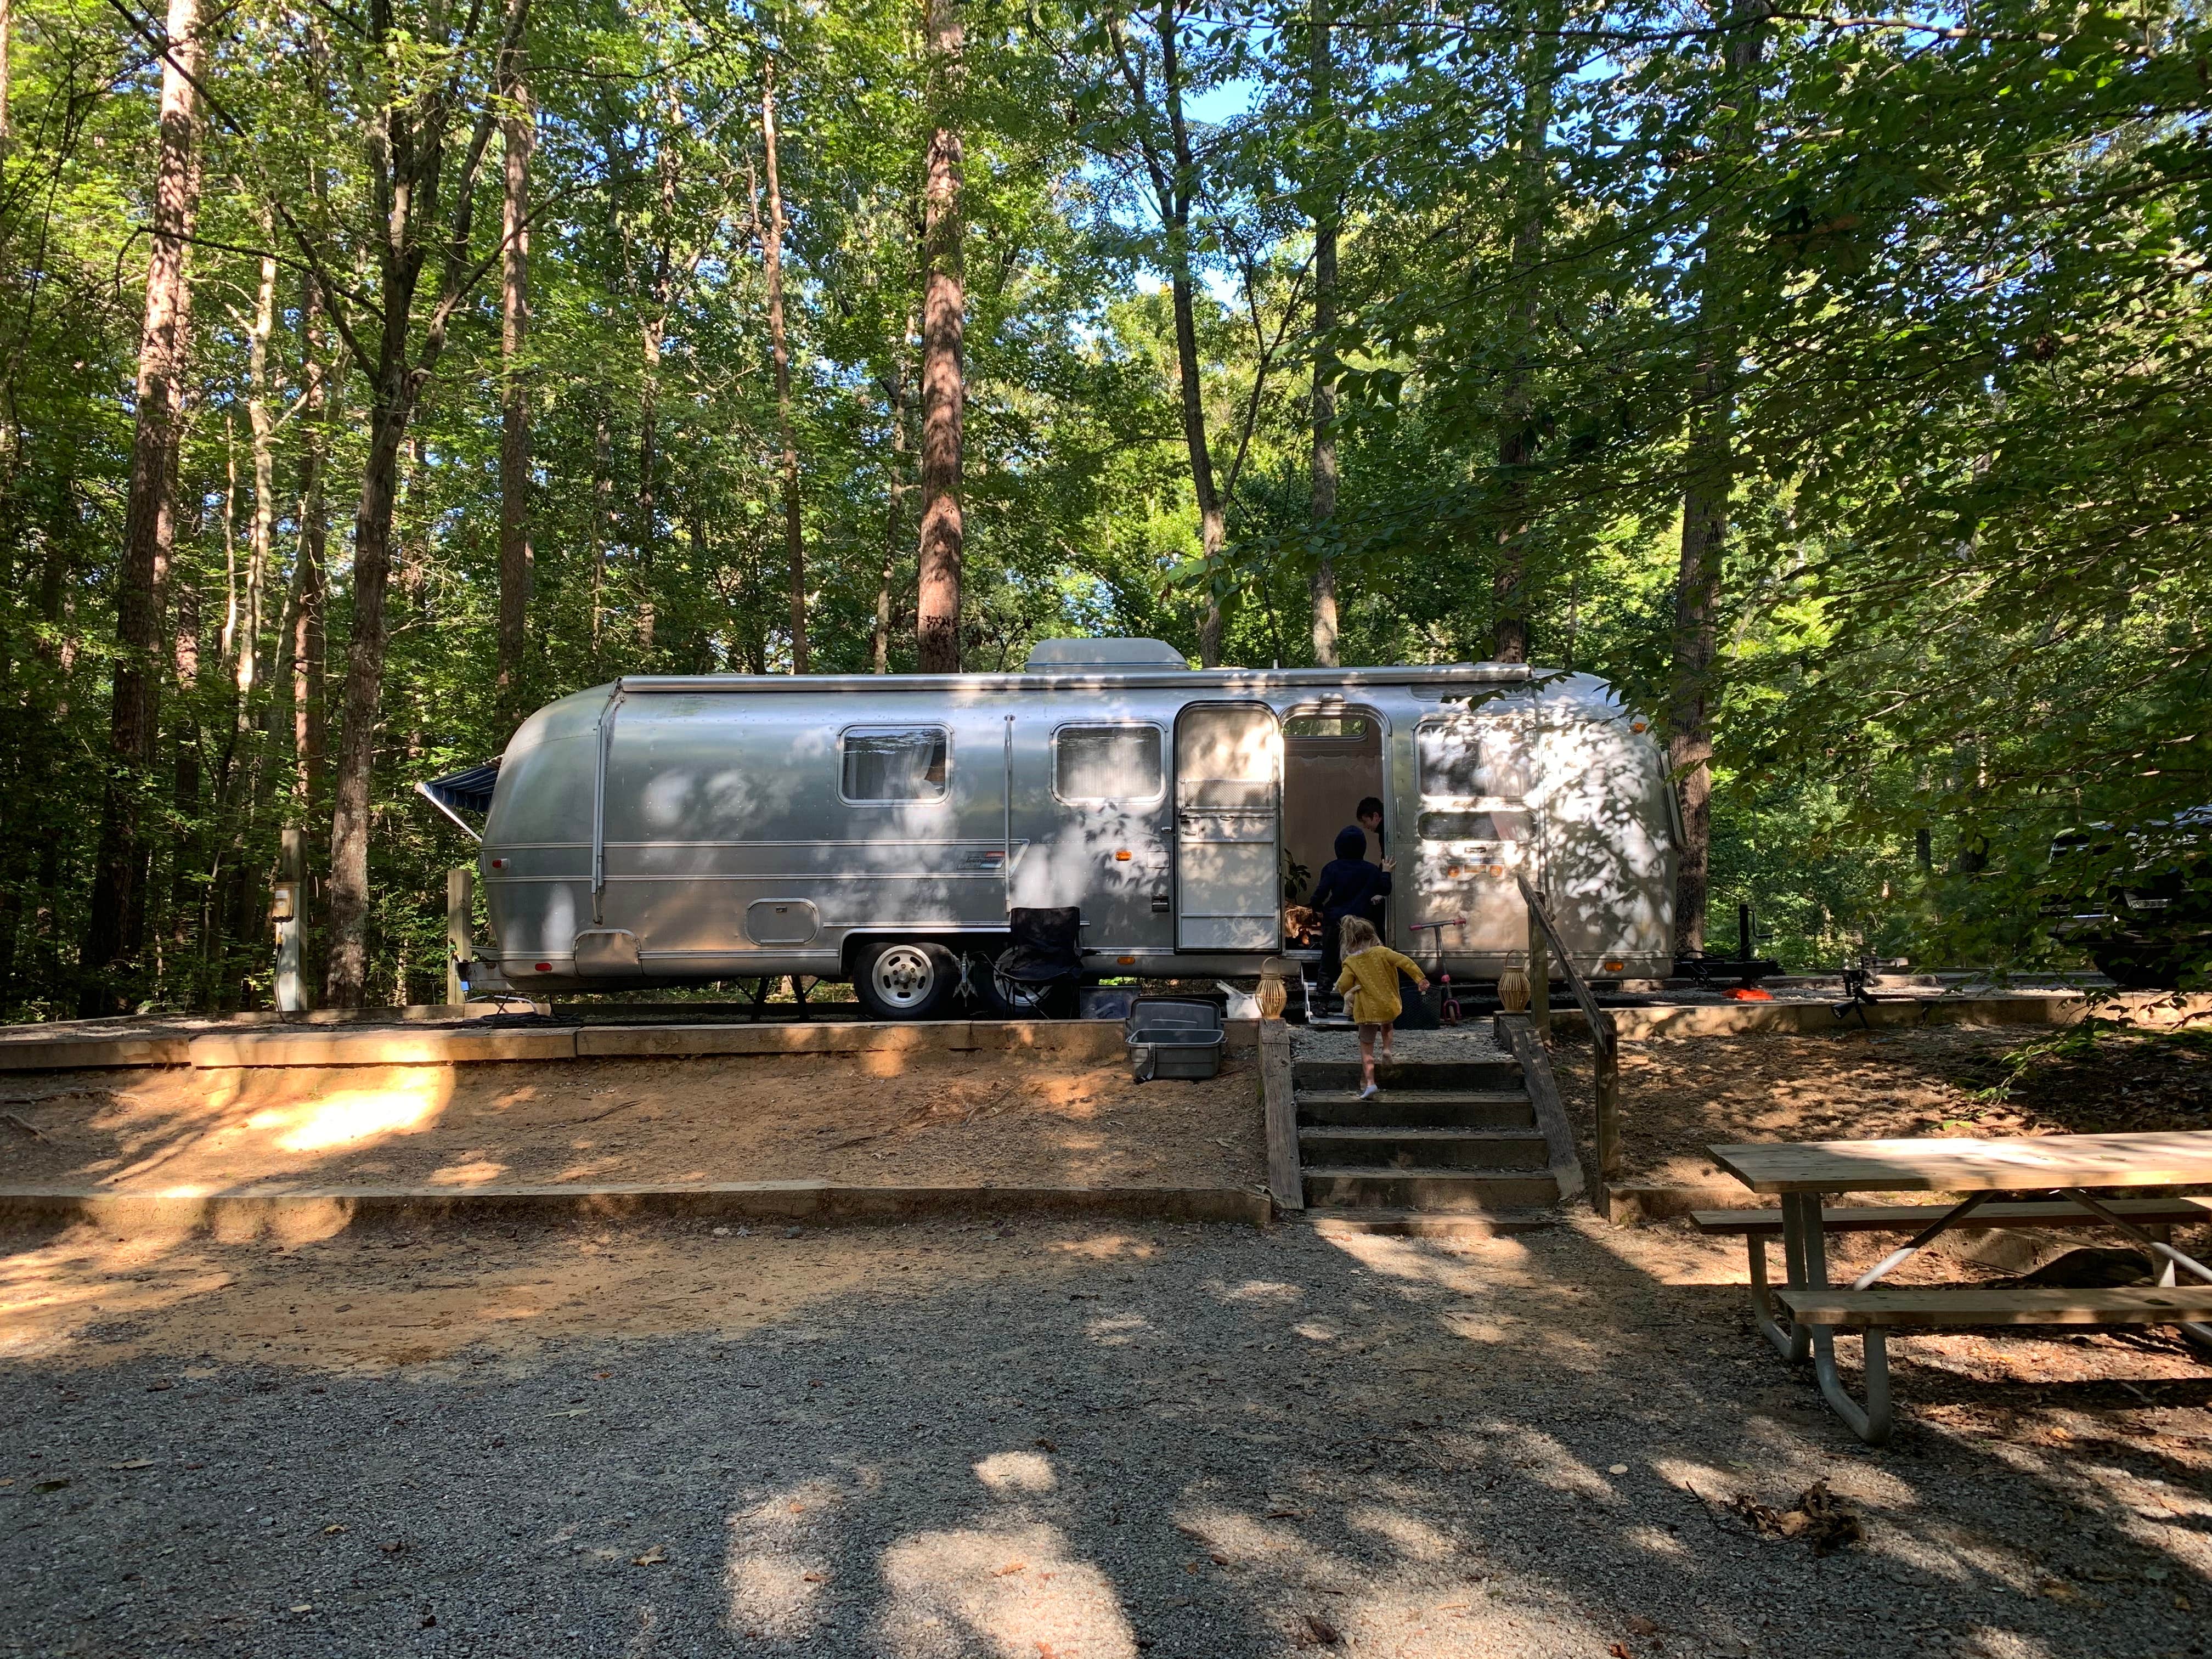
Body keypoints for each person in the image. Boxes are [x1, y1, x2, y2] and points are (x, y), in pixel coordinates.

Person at [1334, 915, 1429, 1096]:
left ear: (1350, 941)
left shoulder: (1351, 962)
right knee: (1387, 1024)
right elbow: (1405, 962)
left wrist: (1345, 992)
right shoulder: (1384, 952)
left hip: (1367, 1010)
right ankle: (1386, 1049)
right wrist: (1420, 978)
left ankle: (1370, 1083)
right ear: (1372, 937)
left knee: (1366, 1045)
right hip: (1388, 1004)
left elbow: (1345, 984)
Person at [1310, 824, 1392, 1014]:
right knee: (1365, 963)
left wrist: (1319, 910)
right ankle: (1367, 1003)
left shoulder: (1331, 868)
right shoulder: (1371, 870)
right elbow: (1385, 890)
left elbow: (1318, 896)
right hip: (1362, 923)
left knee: (1328, 961)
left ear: (1338, 847)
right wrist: (1386, 871)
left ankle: (1322, 1003)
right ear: (1362, 847)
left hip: (1336, 921)